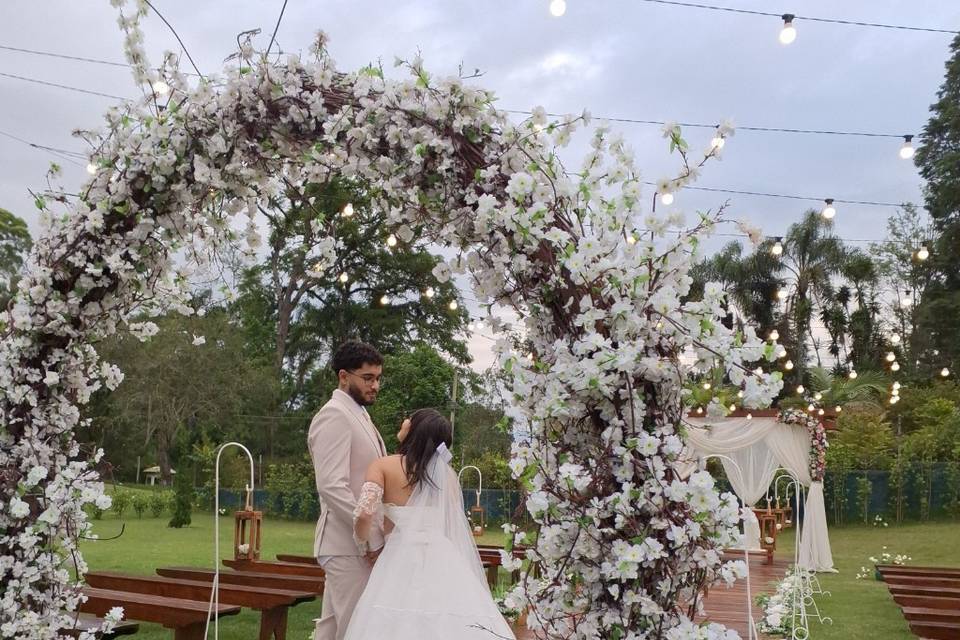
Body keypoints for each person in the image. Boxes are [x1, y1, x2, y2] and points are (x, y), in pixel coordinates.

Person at [344, 408, 516, 640]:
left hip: (399, 559)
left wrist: (363, 543)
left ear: (414, 429)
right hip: (442, 557)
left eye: (409, 420)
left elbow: (364, 514)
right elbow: (450, 525)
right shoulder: (449, 477)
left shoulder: (383, 466)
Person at [309, 341, 388, 640]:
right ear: (344, 376)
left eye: (378, 378)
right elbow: (331, 485)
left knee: (330, 630)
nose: (375, 385)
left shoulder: (359, 413)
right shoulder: (334, 415)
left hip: (348, 546)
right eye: (367, 378)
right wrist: (368, 536)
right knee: (355, 629)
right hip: (346, 546)